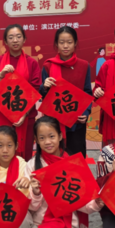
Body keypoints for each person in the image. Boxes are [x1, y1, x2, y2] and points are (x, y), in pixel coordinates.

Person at [19, 117, 101, 228]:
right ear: (36, 140)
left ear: (60, 136)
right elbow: (31, 208)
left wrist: (97, 203)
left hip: (64, 222)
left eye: (51, 136)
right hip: (39, 223)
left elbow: (83, 203)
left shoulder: (73, 164)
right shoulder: (32, 166)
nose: (47, 142)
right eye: (42, 138)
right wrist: (35, 192)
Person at [0, 24, 41, 160]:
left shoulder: (32, 63)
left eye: (18, 36)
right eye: (11, 37)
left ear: (24, 39)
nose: (15, 40)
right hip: (0, 113)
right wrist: (1, 75)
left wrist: (24, 113)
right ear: (5, 41)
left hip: (25, 116)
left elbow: (34, 91)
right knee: (4, 151)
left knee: (25, 153)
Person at [40, 26, 92, 157]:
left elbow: (87, 92)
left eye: (69, 42)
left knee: (76, 159)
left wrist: (86, 113)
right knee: (54, 159)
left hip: (76, 122)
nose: (65, 46)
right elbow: (44, 97)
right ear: (56, 44)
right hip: (54, 123)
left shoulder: (84, 65)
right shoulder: (48, 66)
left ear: (75, 43)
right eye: (61, 42)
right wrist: (44, 87)